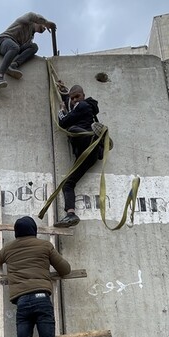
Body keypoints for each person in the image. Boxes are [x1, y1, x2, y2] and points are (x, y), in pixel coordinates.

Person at [0, 216, 70, 337]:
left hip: (22, 302)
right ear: (34, 230)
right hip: (42, 300)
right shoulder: (45, 246)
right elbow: (65, 269)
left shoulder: (9, 248)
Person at [53, 82, 101, 228]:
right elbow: (72, 109)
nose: (74, 100)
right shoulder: (82, 107)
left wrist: (61, 110)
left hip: (86, 142)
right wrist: (63, 92)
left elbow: (63, 122)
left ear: (83, 95)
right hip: (88, 154)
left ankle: (93, 133)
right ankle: (70, 214)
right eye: (72, 98)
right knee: (68, 184)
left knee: (72, 128)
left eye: (77, 96)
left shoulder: (83, 105)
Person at [0, 12, 56, 90]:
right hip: (2, 41)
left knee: (34, 47)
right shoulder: (26, 21)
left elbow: (26, 51)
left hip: (14, 49)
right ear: (36, 22)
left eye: (44, 28)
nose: (44, 28)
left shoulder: (30, 37)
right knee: (15, 47)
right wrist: (47, 23)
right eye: (42, 26)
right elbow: (32, 15)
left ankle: (13, 65)